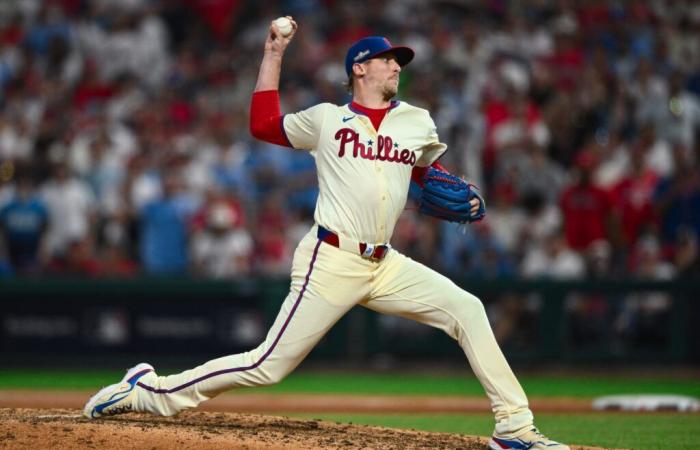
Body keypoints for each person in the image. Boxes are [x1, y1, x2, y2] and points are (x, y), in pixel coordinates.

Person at [83, 18, 569, 450]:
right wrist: (273, 52)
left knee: (467, 308)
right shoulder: (326, 119)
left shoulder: (416, 121)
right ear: (360, 69)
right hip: (331, 259)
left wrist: (458, 194)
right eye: (387, 60)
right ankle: (148, 392)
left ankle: (514, 427)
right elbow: (263, 125)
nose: (396, 67)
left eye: (398, 61)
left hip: (386, 263)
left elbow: (426, 177)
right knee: (267, 365)